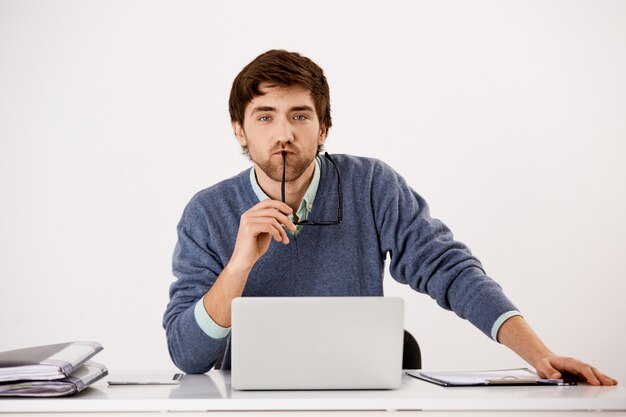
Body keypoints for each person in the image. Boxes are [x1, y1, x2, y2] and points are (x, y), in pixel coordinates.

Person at [163, 49, 617, 386]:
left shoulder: (372, 185)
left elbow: (449, 270)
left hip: (362, 401)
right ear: (239, 130)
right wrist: (239, 264)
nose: (283, 133)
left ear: (322, 128)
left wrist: (540, 355)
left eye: (299, 116)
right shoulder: (208, 212)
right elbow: (188, 355)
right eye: (265, 117)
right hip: (251, 406)